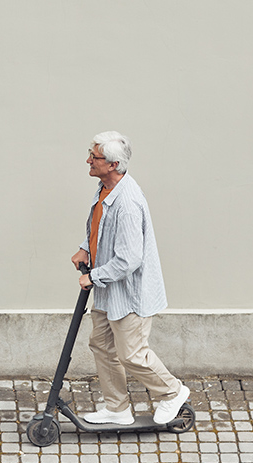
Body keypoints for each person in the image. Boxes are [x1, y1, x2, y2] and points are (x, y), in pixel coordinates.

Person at [71, 131, 189, 426]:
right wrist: (85, 248)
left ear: (112, 164)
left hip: (128, 292)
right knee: (102, 345)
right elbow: (100, 229)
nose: (88, 160)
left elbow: (129, 259)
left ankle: (173, 392)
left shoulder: (127, 202)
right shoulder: (105, 189)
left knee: (132, 354)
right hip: (107, 290)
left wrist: (94, 277)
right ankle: (117, 408)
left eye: (94, 157)